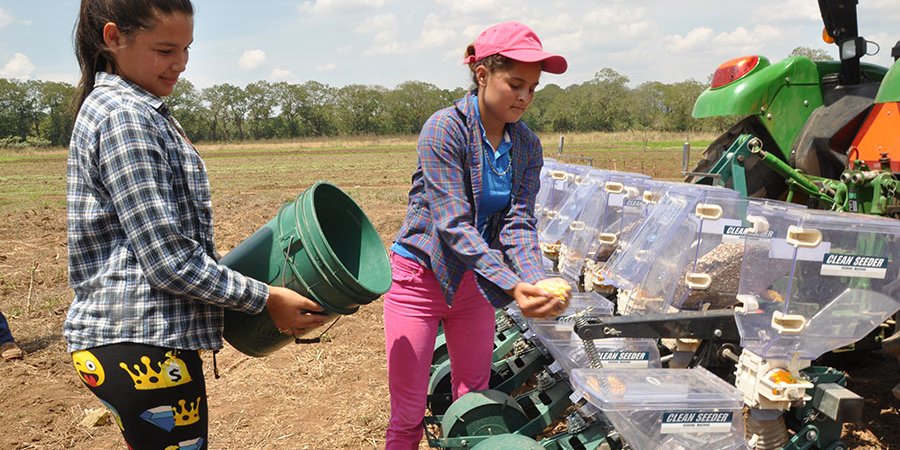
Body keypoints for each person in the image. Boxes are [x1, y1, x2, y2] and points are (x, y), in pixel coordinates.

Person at [65, 1, 327, 448]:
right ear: (113, 38)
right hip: (142, 346)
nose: (180, 64)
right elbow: (167, 261)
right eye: (165, 50)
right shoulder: (126, 116)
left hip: (139, 343)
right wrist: (264, 297)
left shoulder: (132, 108)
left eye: (186, 48)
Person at [383, 21, 571, 449]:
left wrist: (536, 278)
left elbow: (518, 225)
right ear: (482, 74)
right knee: (409, 415)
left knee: (475, 404)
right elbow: (453, 225)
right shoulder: (444, 129)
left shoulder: (526, 146)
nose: (525, 97)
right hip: (419, 280)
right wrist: (513, 283)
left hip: (474, 287)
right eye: (516, 83)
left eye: (533, 88)